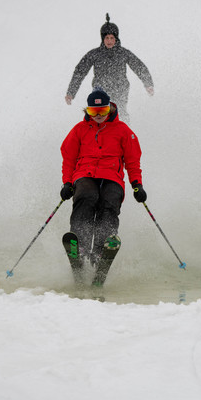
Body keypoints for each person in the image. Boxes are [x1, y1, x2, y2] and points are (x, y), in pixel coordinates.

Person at [59, 89, 147, 285]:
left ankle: (101, 250)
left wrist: (137, 184)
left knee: (110, 201)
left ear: (110, 108)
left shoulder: (123, 131)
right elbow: (68, 158)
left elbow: (133, 161)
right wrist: (67, 182)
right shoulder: (79, 130)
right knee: (86, 195)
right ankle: (79, 247)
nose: (98, 116)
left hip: (112, 176)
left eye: (103, 111)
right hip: (85, 173)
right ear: (87, 111)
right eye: (93, 112)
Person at [65, 13, 154, 123]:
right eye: (106, 38)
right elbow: (80, 72)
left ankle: (124, 133)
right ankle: (96, 134)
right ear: (102, 39)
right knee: (99, 113)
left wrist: (148, 83)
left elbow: (139, 67)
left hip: (120, 89)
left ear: (116, 38)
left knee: (118, 112)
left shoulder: (123, 53)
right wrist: (71, 92)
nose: (109, 41)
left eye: (112, 38)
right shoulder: (94, 54)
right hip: (100, 89)